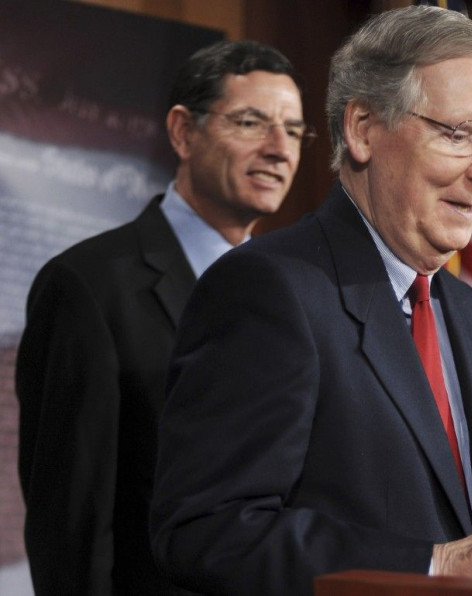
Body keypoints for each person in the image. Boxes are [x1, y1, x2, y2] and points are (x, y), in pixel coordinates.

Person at [150, 7, 472, 596]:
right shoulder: (269, 287)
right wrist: (440, 564)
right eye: (461, 133)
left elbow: (444, 523)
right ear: (364, 129)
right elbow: (210, 532)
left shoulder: (463, 309)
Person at [15, 39, 312, 596]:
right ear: (182, 131)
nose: (280, 149)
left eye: (294, 131)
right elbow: (71, 523)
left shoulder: (299, 291)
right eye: (252, 122)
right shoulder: (88, 286)